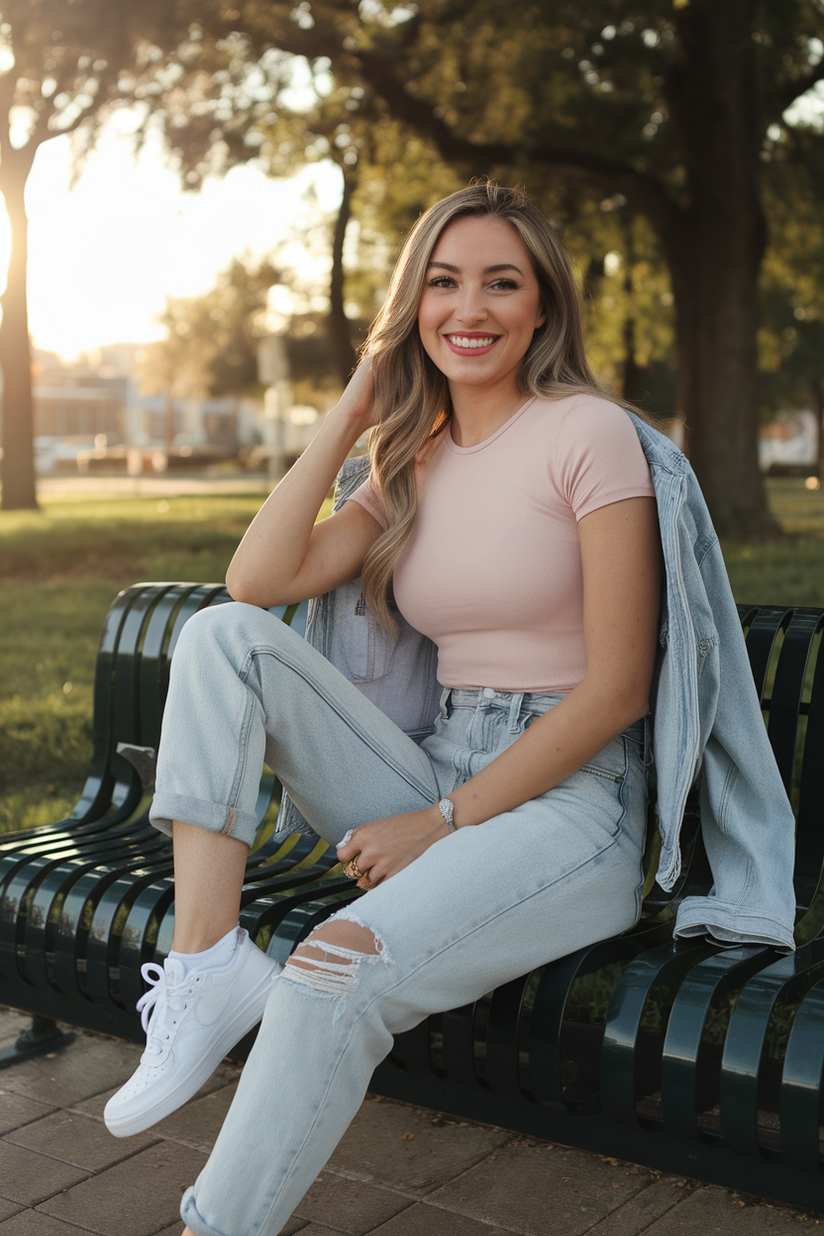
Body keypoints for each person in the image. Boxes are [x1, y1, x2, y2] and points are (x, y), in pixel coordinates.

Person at [101, 180, 792, 1236]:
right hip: (433, 761)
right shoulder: (407, 459)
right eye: (442, 282)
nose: (468, 308)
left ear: (542, 308)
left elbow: (616, 688)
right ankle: (206, 965)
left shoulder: (589, 436)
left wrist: (440, 824)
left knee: (327, 980)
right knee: (219, 636)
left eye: (499, 283)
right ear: (411, 306)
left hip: (570, 804)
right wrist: (350, 413)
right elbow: (256, 582)